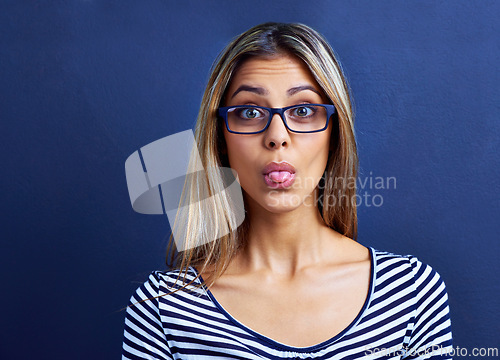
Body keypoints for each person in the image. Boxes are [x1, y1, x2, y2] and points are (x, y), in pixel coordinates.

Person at [122, 22, 452, 359]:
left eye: (303, 110)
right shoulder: (165, 308)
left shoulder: (411, 293)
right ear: (220, 139)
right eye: (249, 112)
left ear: (334, 135)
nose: (277, 136)